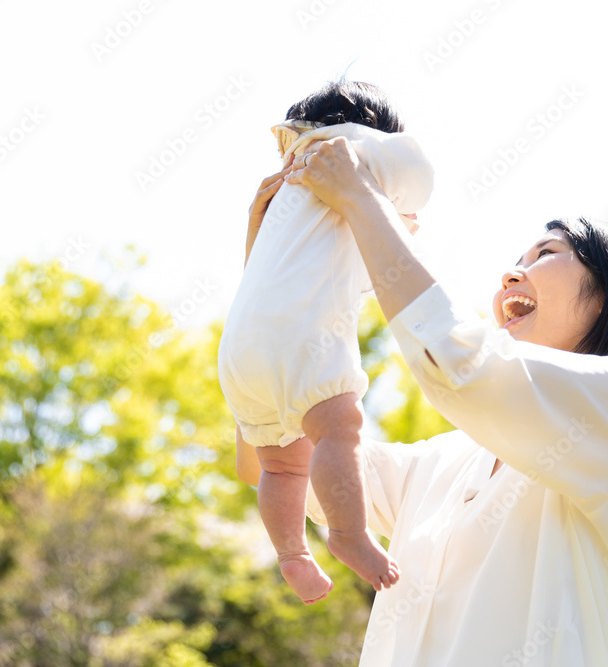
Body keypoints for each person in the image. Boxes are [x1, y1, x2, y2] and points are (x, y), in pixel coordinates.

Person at [234, 136, 608, 665]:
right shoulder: (438, 465)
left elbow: (457, 359)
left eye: (547, 254)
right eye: (517, 259)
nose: (510, 275)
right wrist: (267, 269)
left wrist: (361, 198)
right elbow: (273, 451)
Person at [217, 79, 435, 604]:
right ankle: (348, 533)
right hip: (299, 338)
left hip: (238, 350)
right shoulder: (349, 150)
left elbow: (343, 272)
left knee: (280, 462)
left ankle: (292, 551)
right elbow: (419, 177)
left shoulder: (285, 194)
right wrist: (393, 204)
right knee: (341, 427)